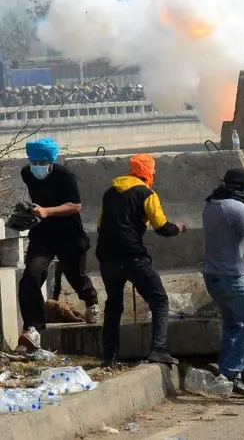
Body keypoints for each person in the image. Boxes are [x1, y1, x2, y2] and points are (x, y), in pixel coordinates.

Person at [97, 154, 185, 367]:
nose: (154, 175)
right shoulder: (147, 194)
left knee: (114, 305)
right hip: (133, 256)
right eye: (152, 171)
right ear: (147, 172)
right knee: (159, 300)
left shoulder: (110, 192)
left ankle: (109, 357)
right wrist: (179, 228)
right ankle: (158, 349)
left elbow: (100, 226)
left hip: (107, 258)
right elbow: (162, 227)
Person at [17, 137, 100, 351]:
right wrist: (30, 212)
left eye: (41, 163)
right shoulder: (27, 174)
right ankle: (32, 328)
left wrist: (47, 211)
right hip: (43, 235)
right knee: (31, 277)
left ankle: (91, 300)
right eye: (33, 163)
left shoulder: (65, 176)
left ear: (51, 162)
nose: (36, 167)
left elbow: (76, 205)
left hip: (69, 234)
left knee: (76, 276)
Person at [202, 168, 244, 395]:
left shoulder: (211, 204)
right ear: (242, 189)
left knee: (234, 324)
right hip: (232, 277)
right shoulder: (236, 207)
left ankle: (229, 374)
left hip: (212, 275)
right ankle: (229, 373)